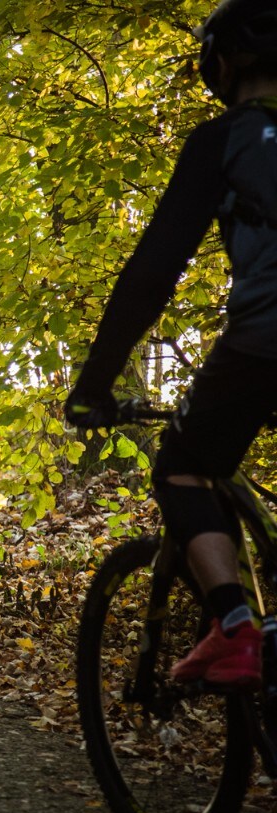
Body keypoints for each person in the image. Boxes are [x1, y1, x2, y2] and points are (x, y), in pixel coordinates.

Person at [66, 0, 277, 690]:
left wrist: (95, 383)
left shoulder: (227, 140)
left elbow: (153, 272)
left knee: (183, 463)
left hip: (265, 337)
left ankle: (235, 627)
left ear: (224, 62)